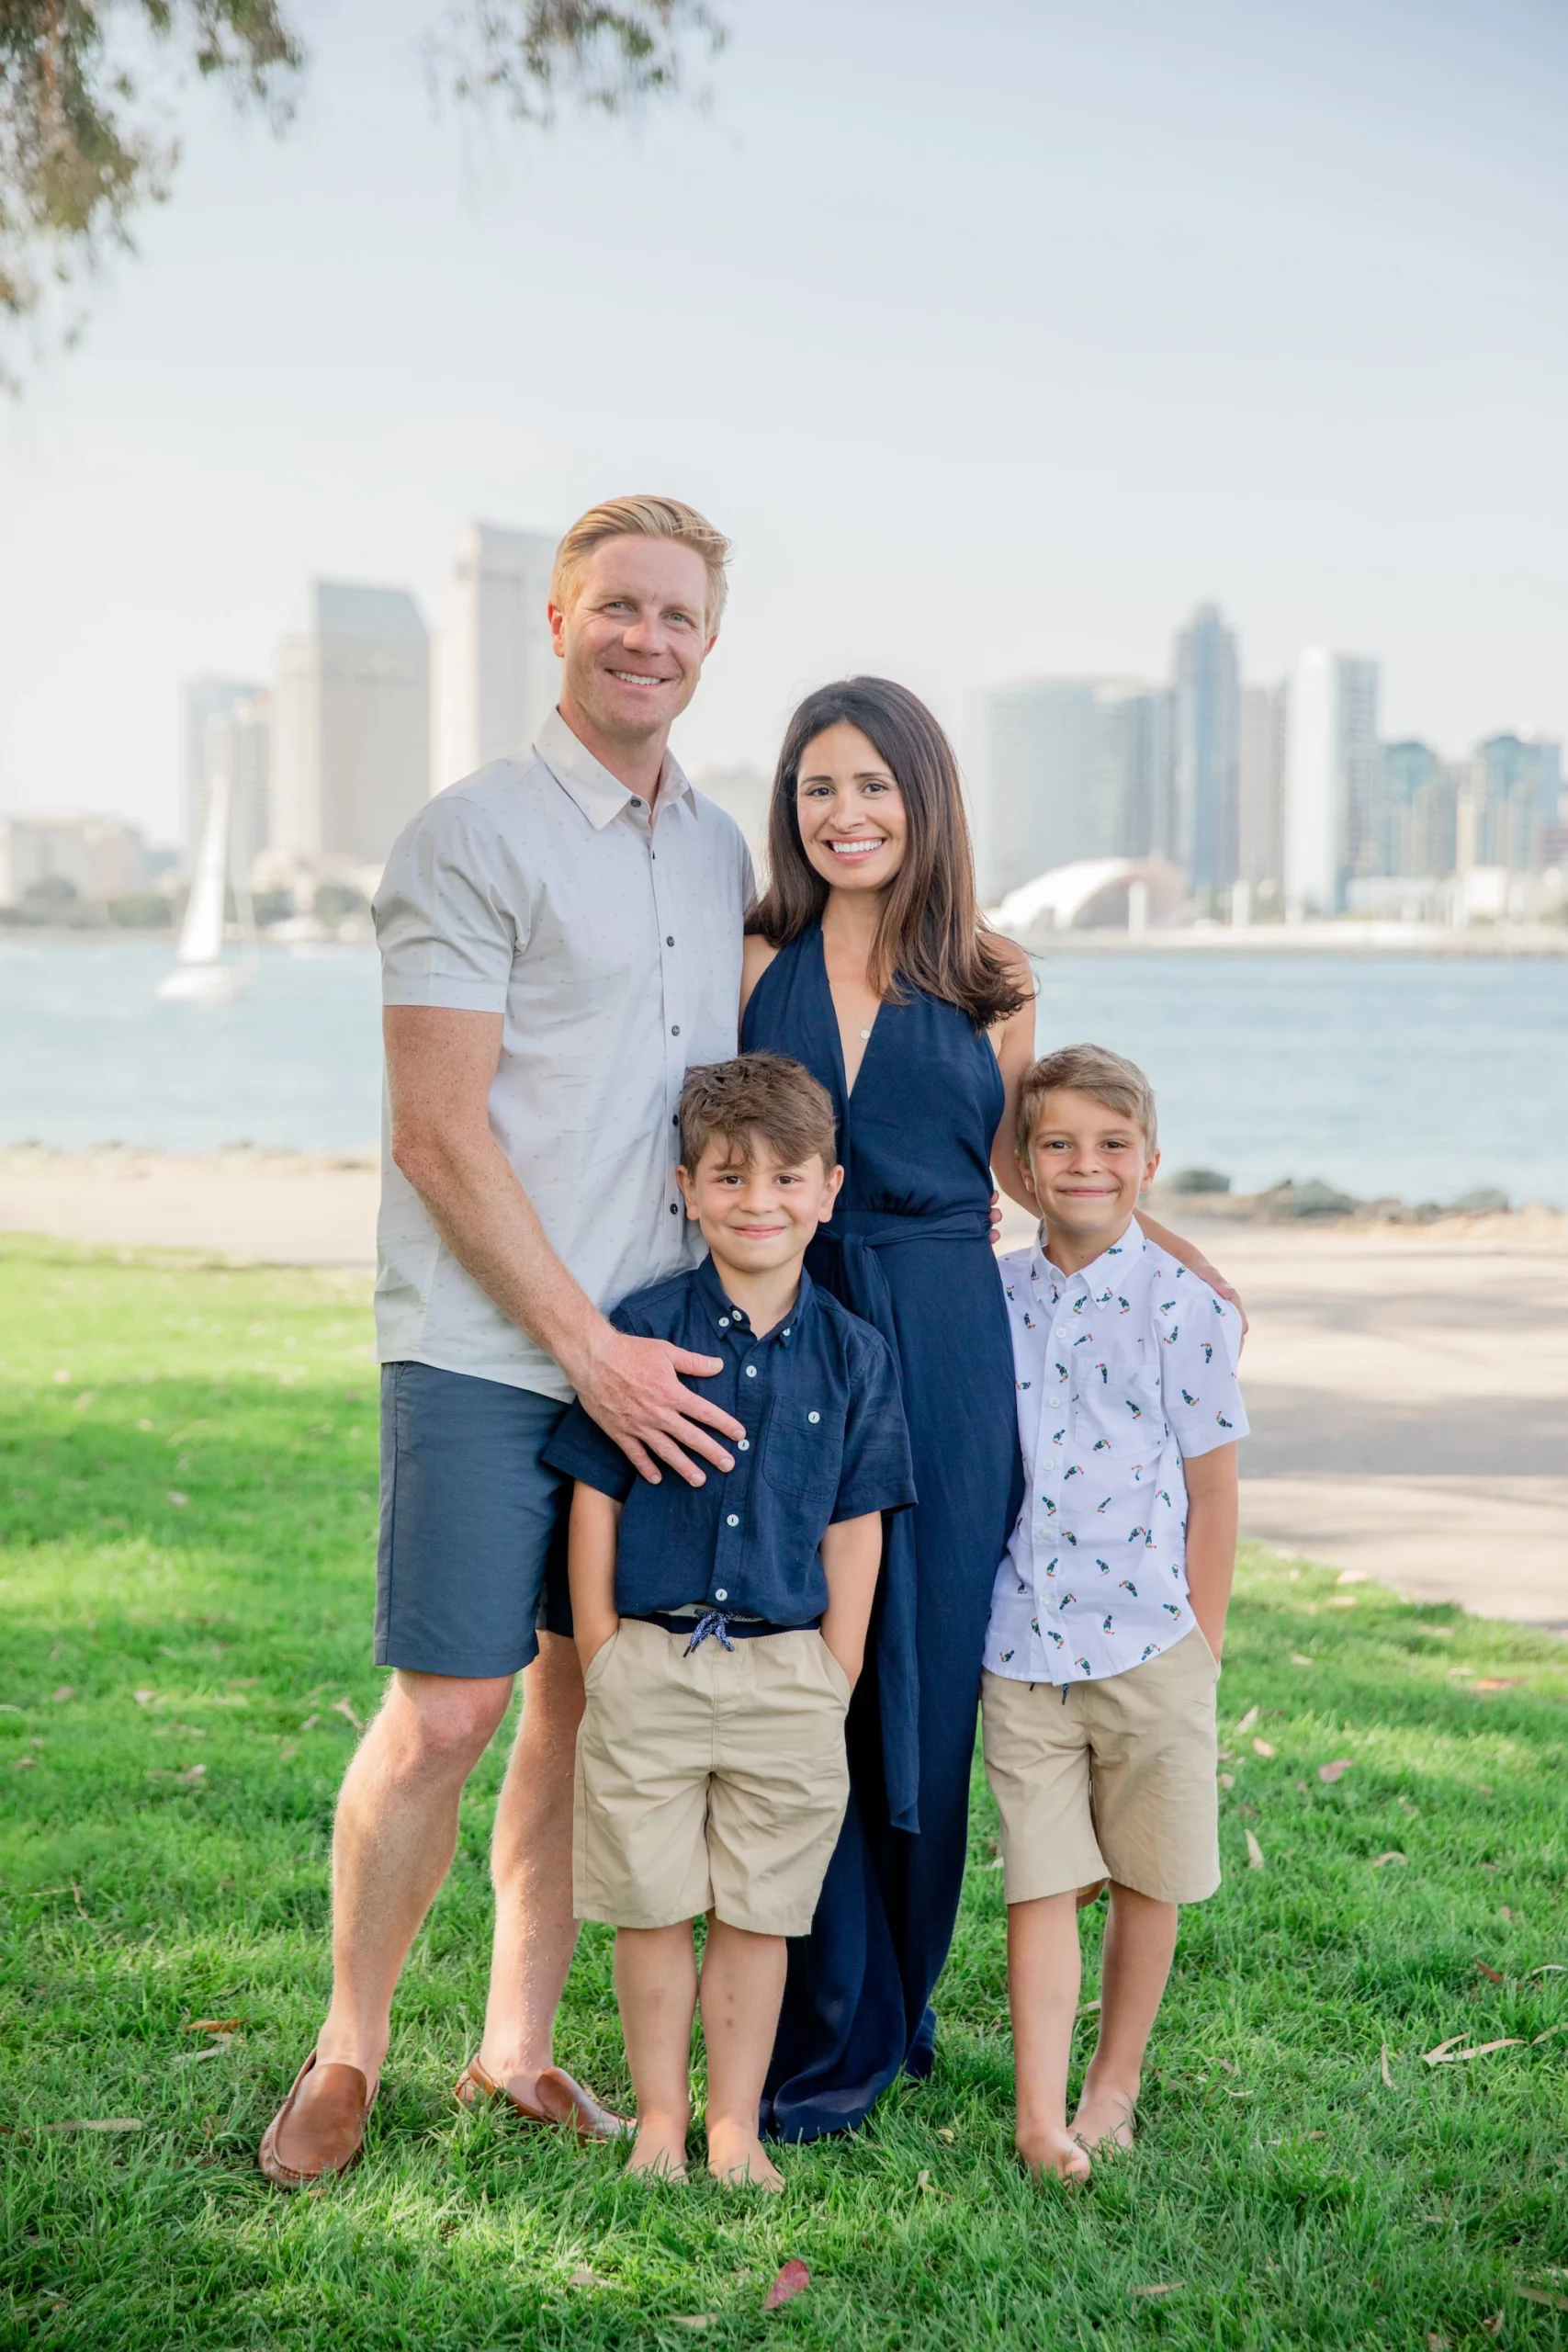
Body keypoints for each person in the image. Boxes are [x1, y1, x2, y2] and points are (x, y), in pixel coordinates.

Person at [260, 496, 755, 2189]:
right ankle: (347, 2048)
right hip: (487, 1350)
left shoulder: (718, 849)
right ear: (555, 622)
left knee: (579, 1710)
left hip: (660, 1360)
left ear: (708, 645)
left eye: (678, 617)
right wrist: (586, 1350)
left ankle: (515, 2050)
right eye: (617, 607)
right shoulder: (467, 836)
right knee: (452, 1707)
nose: (646, 639)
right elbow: (437, 1134)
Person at [739, 677, 1247, 2139]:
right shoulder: (754, 948)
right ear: (793, 808)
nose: (845, 815)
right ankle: (805, 2023)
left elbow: (1030, 1171)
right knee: (803, 1673)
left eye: (872, 787)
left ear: (925, 799)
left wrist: (1176, 1246)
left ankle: (892, 2014)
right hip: (795, 1329)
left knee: (927, 1682)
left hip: (949, 1339)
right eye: (818, 788)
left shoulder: (994, 976)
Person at [542, 1054, 915, 2188]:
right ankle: (661, 2118)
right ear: (686, 1188)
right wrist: (602, 1647)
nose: (760, 1200)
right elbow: (594, 1493)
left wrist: (836, 1664)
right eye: (730, 1176)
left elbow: (858, 1523)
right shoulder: (640, 1332)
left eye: (786, 1177)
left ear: (829, 1189)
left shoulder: (855, 1353)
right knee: (650, 1903)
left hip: (787, 1671)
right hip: (647, 1659)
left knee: (759, 1911)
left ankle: (732, 2127)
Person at [981, 1044, 1247, 2179]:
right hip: (1020, 1642)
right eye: (1058, 1145)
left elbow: (1214, 1490)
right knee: (1039, 1880)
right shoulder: (989, 1296)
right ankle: (1040, 2117)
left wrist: (1203, 1650)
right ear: (1025, 1168)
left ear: (1148, 1162)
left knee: (1146, 1876)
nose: (1084, 1165)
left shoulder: (1186, 1308)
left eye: (1110, 1145)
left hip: (1150, 1644)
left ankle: (1112, 2087)